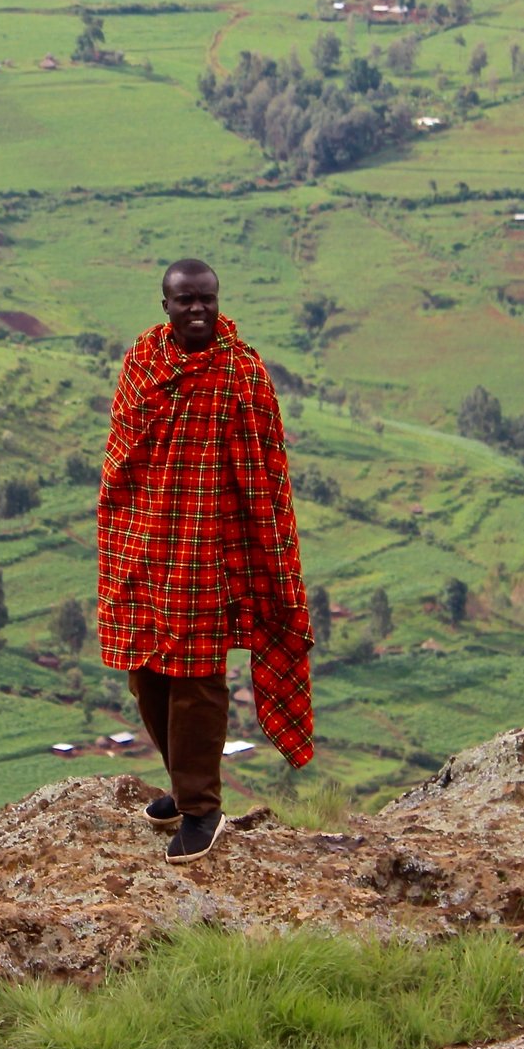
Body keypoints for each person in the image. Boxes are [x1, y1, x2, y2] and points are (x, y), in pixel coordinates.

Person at [95, 258, 315, 863]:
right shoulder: (144, 361)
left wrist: (260, 551)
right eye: (186, 300)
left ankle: (201, 809)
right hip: (144, 541)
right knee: (146, 670)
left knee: (196, 677)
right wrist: (124, 523)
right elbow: (122, 449)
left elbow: (264, 469)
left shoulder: (242, 374)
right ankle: (182, 783)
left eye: (207, 300)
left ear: (218, 303)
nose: (198, 310)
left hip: (207, 548)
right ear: (165, 305)